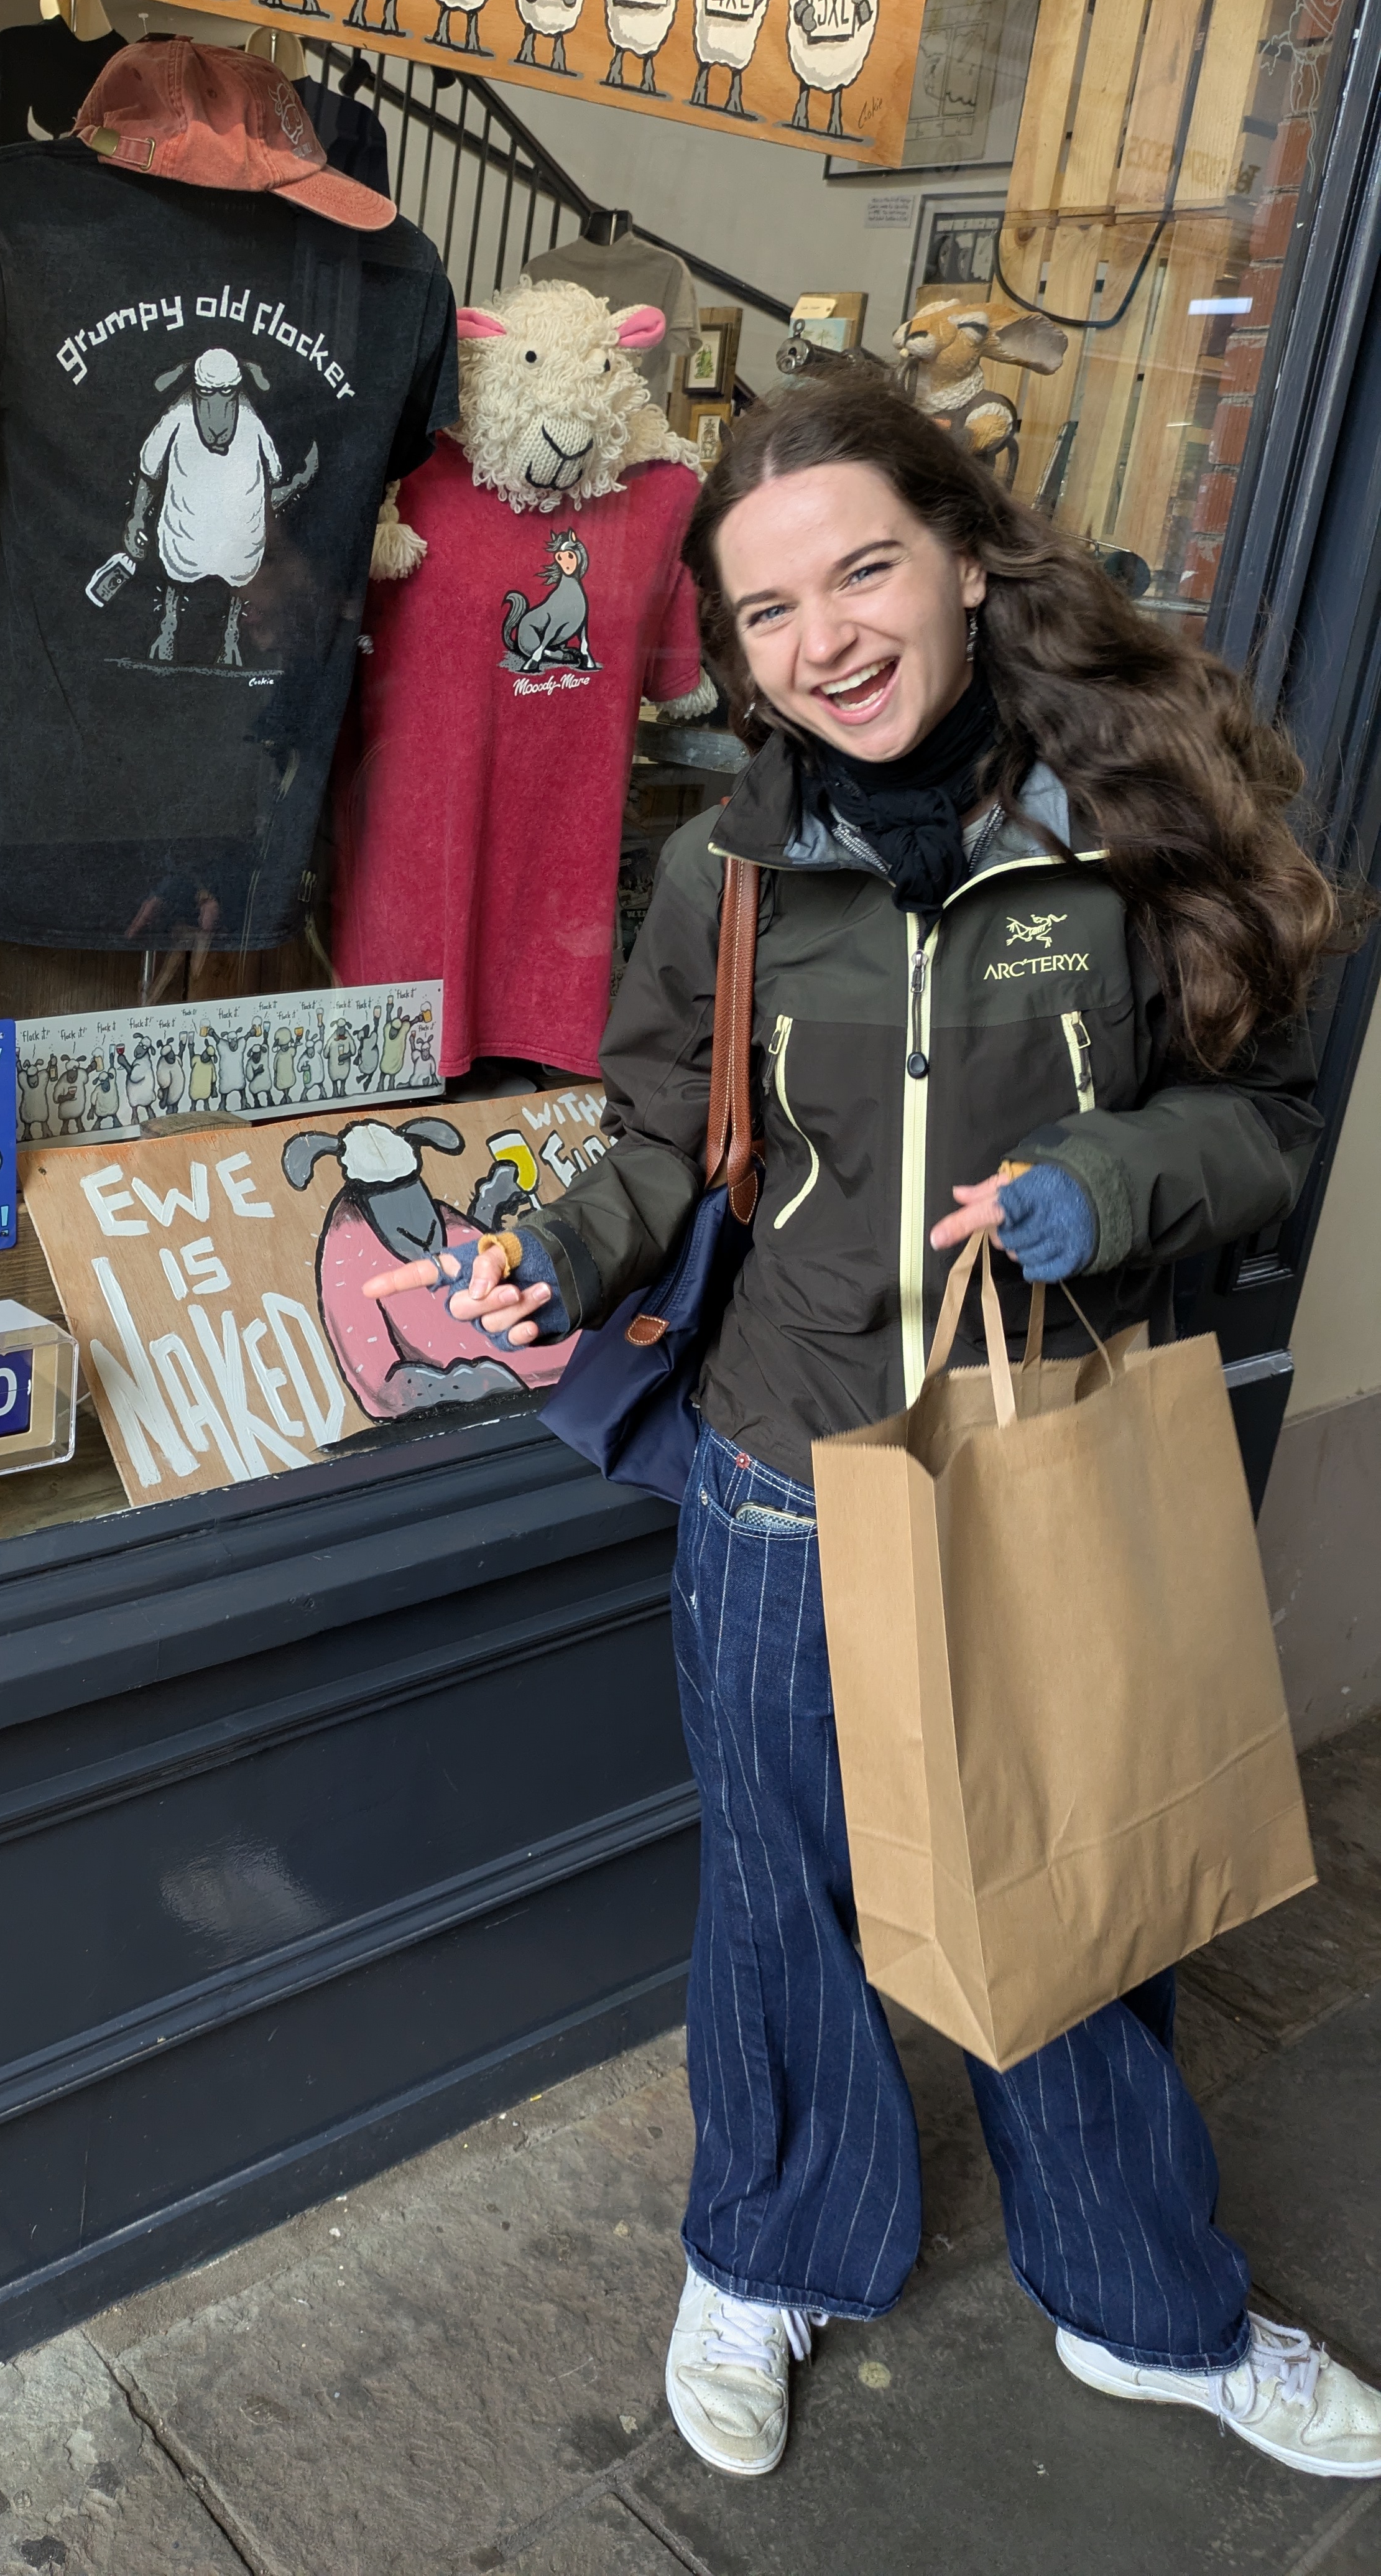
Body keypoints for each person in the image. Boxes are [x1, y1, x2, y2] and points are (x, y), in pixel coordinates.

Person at [365, 375, 1381, 2485]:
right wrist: (563, 1252)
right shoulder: (725, 875)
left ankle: (1142, 2305)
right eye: (764, 611)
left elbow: (1271, 1122)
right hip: (781, 1471)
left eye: (860, 568)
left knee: (1081, 1892)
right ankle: (768, 2254)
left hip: (1043, 1464)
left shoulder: (1121, 825)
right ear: (730, 655)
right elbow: (668, 1140)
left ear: (963, 553)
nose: (822, 637)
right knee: (780, 1898)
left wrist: (1113, 1187)